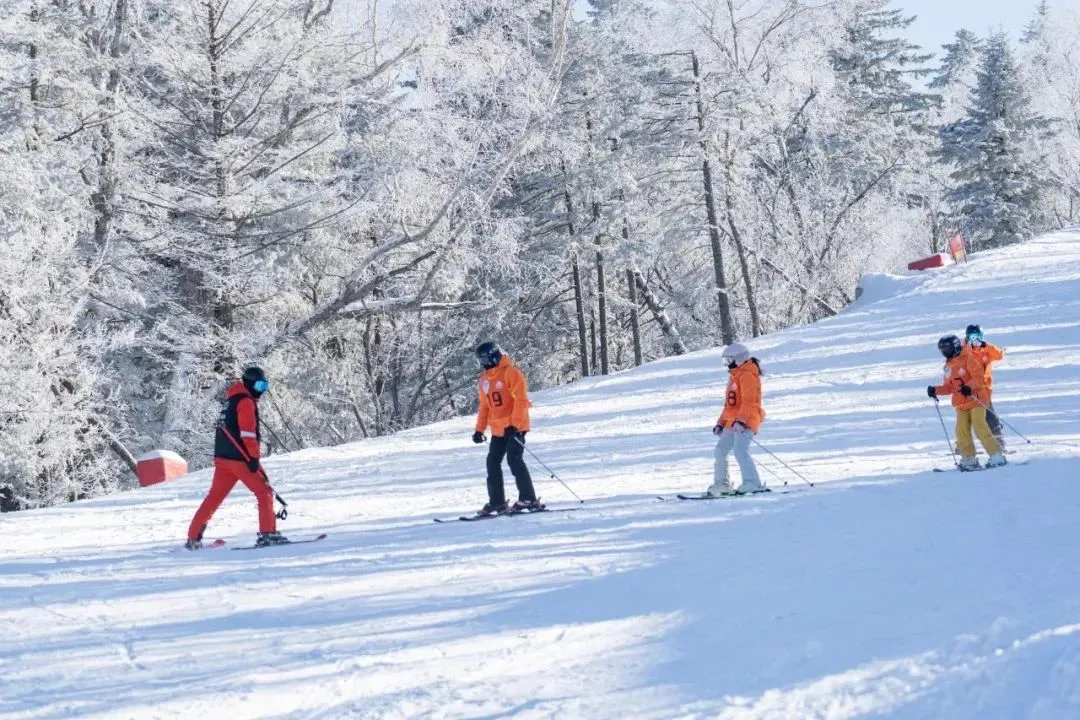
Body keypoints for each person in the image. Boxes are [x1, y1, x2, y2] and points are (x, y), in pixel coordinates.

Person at [185, 367, 288, 549]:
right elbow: (247, 434)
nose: (261, 390)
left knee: (214, 497)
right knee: (264, 493)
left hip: (223, 459)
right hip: (240, 458)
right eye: (259, 385)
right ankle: (268, 535)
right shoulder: (245, 402)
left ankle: (193, 539)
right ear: (248, 383)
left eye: (264, 386)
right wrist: (254, 458)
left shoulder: (230, 400)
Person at [472, 341, 541, 516]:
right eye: (481, 361)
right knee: (492, 462)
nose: (484, 364)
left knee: (514, 459)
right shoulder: (485, 381)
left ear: (495, 355)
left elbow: (520, 400)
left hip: (515, 426)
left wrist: (515, 425)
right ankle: (497, 502)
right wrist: (479, 430)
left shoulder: (511, 373)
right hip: (498, 428)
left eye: (487, 359)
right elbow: (484, 407)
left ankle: (528, 498)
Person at [927, 335, 1005, 471]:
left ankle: (996, 455)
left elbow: (978, 376)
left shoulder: (968, 358)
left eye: (946, 349)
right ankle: (969, 458)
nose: (944, 352)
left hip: (976, 399)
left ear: (955, 346)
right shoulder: (947, 367)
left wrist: (969, 386)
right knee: (961, 431)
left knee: (979, 426)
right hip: (961, 404)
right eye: (942, 350)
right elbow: (949, 387)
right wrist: (936, 390)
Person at [707, 342, 767, 496]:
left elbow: (749, 401)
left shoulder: (747, 375)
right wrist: (721, 422)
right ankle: (722, 484)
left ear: (738, 359)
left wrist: (741, 420)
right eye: (725, 360)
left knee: (740, 450)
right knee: (720, 451)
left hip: (746, 419)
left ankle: (752, 483)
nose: (726, 363)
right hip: (732, 421)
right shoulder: (734, 377)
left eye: (728, 359)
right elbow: (730, 405)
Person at [964, 324, 1006, 450]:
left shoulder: (986, 351)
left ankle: (999, 442)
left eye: (977, 337)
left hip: (985, 390)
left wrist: (986, 345)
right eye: (971, 337)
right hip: (970, 390)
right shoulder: (966, 352)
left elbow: (999, 355)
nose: (975, 340)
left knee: (990, 416)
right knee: (966, 418)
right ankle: (963, 445)